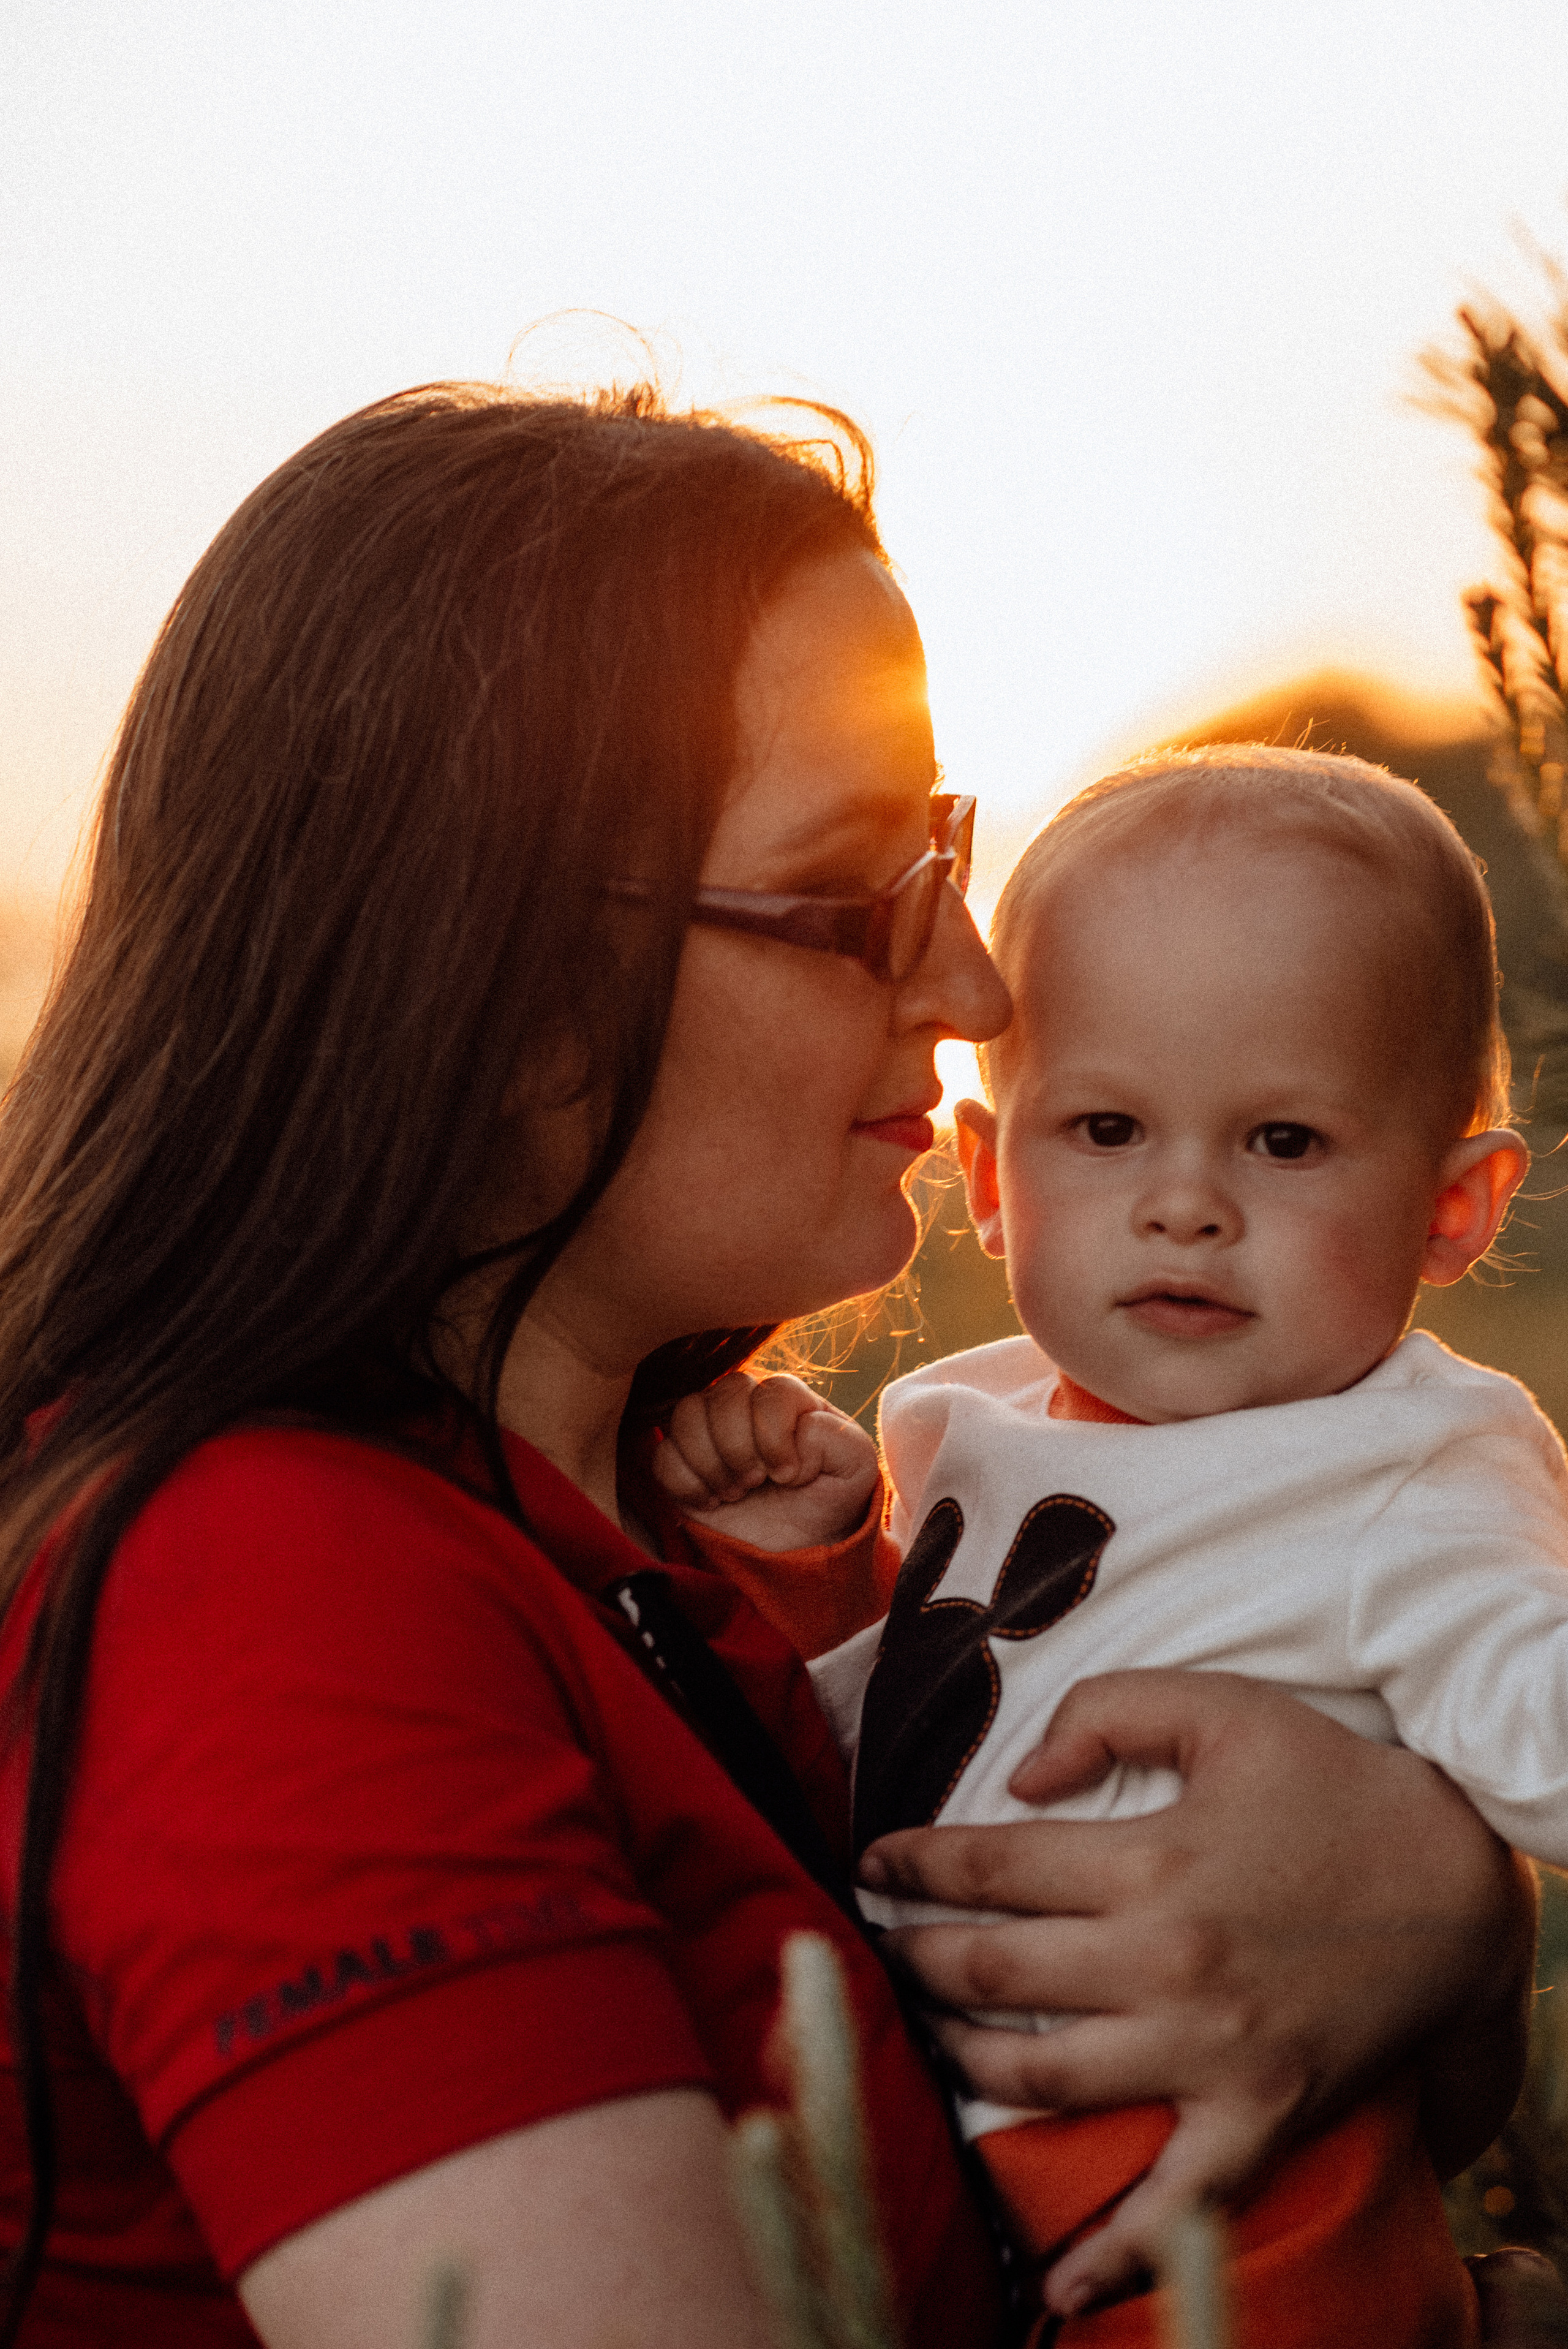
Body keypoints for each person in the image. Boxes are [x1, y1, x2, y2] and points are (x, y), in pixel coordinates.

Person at [0, 387, 1545, 2349]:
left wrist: (1438, 1915)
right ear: (512, 996)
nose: (979, 991)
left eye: (950, 851)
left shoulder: (675, 1539)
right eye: (853, 885)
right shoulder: (276, 1602)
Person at [655, 746, 1568, 2344]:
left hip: (1255, 2222)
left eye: (1283, 1141)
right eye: (1108, 1127)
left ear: (1453, 1204)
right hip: (976, 2187)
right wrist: (813, 1578)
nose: (1186, 1204)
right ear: (989, 1178)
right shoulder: (966, 1422)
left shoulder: (1406, 1470)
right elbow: (906, 1769)